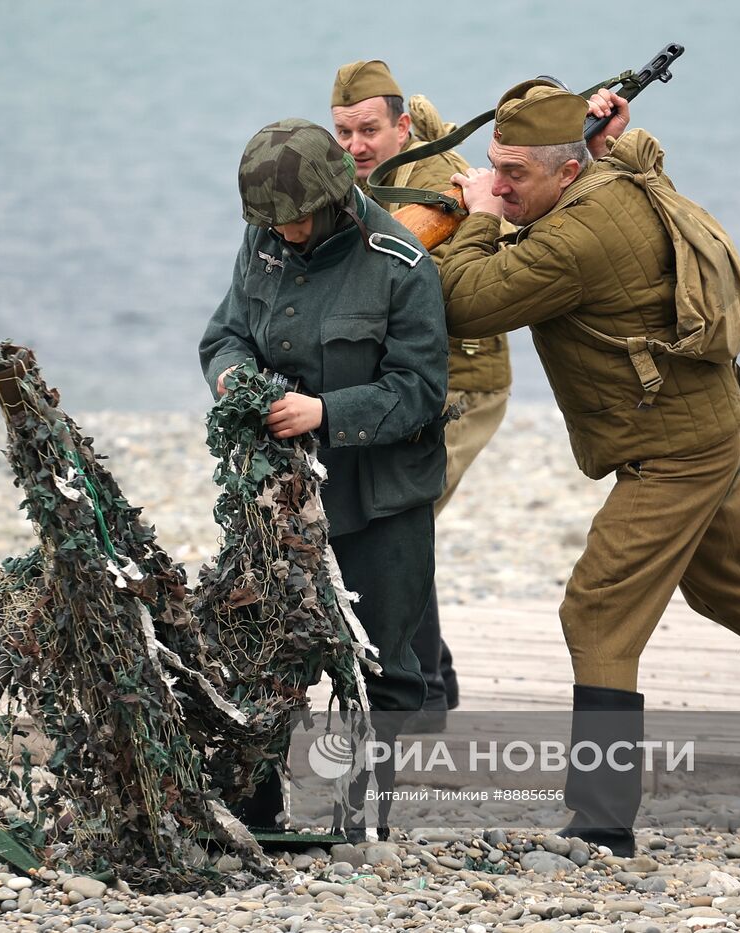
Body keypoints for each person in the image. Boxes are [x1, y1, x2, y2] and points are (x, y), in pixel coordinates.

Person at [438, 82, 740, 855]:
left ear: (566, 174)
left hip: (676, 450)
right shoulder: (608, 173)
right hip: (706, 422)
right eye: (494, 167)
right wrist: (598, 131)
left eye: (516, 174)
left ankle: (601, 822)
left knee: (595, 610)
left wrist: (477, 219)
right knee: (726, 587)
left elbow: (461, 301)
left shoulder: (575, 238)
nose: (499, 183)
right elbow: (629, 149)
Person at [329, 60, 628, 721]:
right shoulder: (374, 182)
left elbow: (453, 287)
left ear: (403, 125)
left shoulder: (438, 182)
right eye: (344, 132)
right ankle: (435, 682)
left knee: (396, 522)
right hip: (410, 382)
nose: (356, 146)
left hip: (463, 380)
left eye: (369, 130)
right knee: (396, 521)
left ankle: (427, 690)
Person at [199, 118, 448, 836]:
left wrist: (324, 411)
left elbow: (419, 391)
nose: (284, 233)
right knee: (260, 643)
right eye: (270, 222)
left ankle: (363, 814)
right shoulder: (266, 237)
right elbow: (224, 335)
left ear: (335, 197)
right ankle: (256, 808)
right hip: (280, 494)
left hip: (379, 497)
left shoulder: (399, 263)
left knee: (387, 664)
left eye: (295, 219)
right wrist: (233, 377)